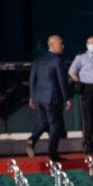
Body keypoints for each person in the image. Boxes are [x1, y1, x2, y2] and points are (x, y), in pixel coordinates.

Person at [27, 34, 70, 162]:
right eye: (60, 43)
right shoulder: (57, 60)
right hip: (52, 97)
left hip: (39, 97)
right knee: (55, 125)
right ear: (52, 45)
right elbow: (62, 80)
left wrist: (31, 96)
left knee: (44, 122)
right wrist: (67, 98)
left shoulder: (38, 60)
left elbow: (32, 79)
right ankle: (52, 154)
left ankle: (33, 138)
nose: (63, 46)